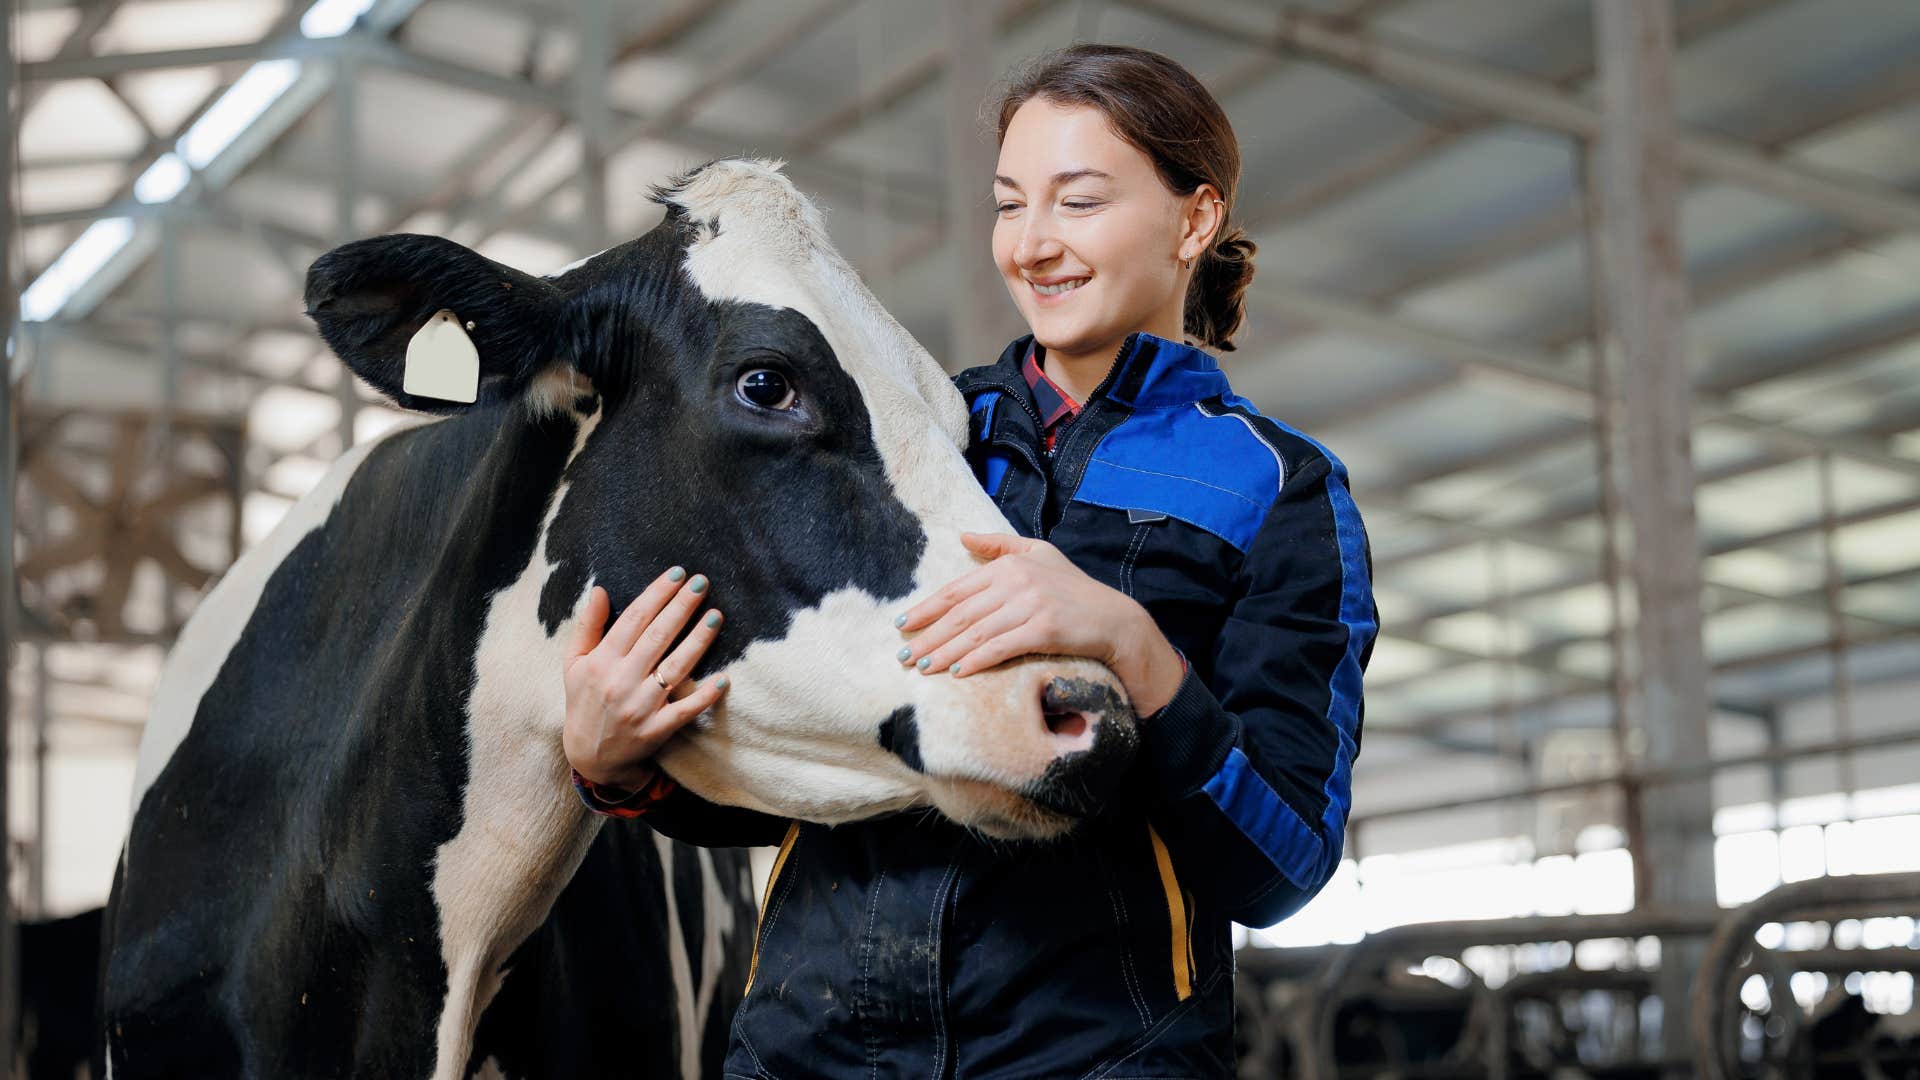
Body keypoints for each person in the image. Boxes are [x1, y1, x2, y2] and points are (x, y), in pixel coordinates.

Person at [562, 43, 1378, 1078]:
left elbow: (1281, 865)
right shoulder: (906, 429)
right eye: (1008, 205)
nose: (1033, 245)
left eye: (1078, 203)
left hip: (1093, 1059)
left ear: (1195, 218)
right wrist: (619, 768)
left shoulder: (1278, 486)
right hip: (808, 1053)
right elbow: (792, 771)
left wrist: (1129, 644)